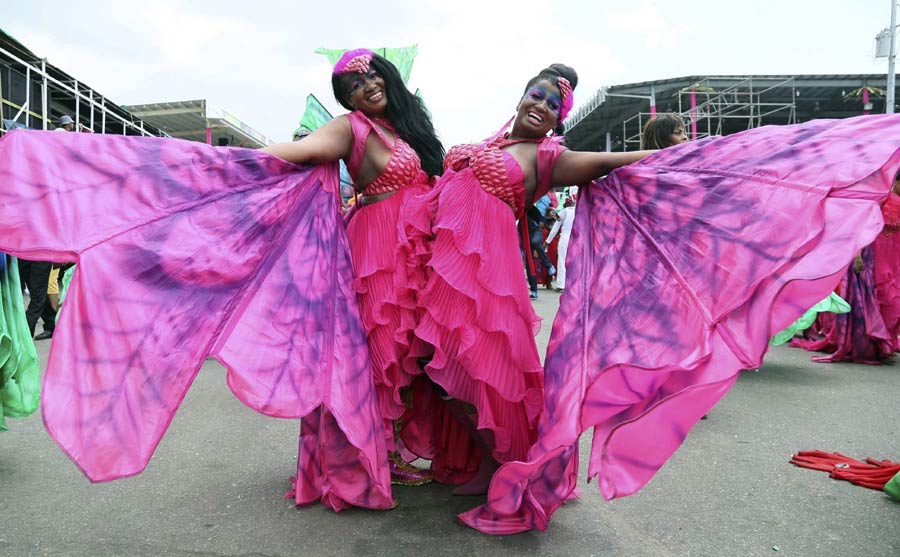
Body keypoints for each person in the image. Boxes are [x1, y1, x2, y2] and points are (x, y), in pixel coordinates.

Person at [458, 105, 900, 534]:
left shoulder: (630, 169)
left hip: (650, 266)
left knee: (673, 336)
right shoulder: (633, 175)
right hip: (608, 265)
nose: (686, 142)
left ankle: (662, 384)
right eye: (679, 138)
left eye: (555, 102)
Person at [409, 64, 655, 495]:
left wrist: (675, 154)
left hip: (487, 275)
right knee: (438, 365)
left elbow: (607, 162)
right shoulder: (494, 142)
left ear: (560, 119)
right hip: (443, 268)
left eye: (553, 104)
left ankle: (505, 464)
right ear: (522, 97)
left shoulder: (549, 157)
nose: (541, 105)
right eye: (536, 95)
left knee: (482, 371)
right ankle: (485, 458)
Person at [263, 49, 445, 488]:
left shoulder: (405, 129)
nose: (368, 86)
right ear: (349, 101)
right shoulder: (350, 128)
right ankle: (371, 452)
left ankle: (391, 444)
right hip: (377, 252)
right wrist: (232, 160)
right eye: (355, 86)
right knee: (382, 351)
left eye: (372, 75)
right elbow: (304, 150)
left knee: (408, 356)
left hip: (415, 251)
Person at [791, 173, 900, 362]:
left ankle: (881, 346)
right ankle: (867, 347)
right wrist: (857, 255)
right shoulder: (876, 199)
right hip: (866, 257)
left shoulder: (888, 200)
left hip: (883, 259)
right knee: (867, 304)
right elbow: (858, 226)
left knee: (882, 303)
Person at [544, 186, 576, 293]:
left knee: (562, 261)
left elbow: (555, 228)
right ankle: (573, 284)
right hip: (576, 239)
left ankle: (561, 285)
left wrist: (547, 242)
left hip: (565, 238)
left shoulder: (565, 211)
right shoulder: (580, 211)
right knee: (574, 262)